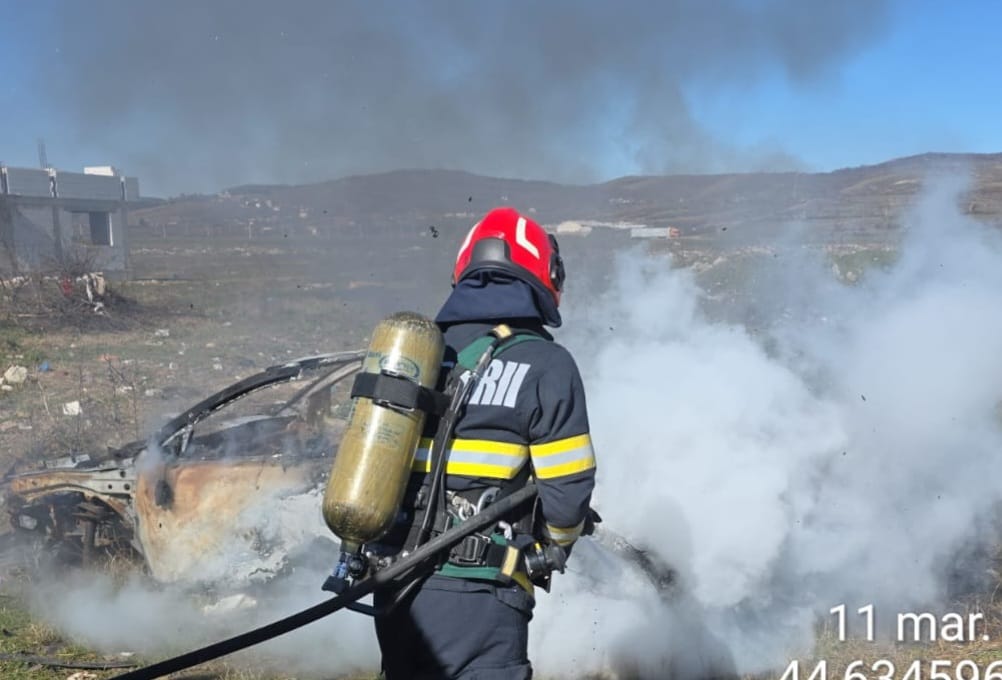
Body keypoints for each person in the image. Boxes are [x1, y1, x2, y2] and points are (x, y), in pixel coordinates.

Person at [372, 206, 598, 679]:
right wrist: (552, 547)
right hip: (480, 593)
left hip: (395, 585)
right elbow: (567, 493)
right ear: (547, 275)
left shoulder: (420, 356)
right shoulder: (546, 363)